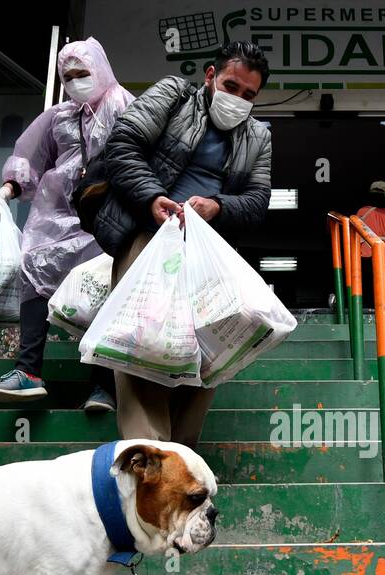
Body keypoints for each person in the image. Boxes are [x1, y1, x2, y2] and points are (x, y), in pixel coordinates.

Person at [77, 40, 272, 448]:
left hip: (207, 256)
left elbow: (257, 202)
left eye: (249, 95)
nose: (238, 100)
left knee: (206, 352)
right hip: (150, 238)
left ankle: (182, 460)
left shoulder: (258, 136)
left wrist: (217, 207)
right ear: (210, 76)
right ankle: (149, 455)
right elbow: (123, 145)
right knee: (141, 344)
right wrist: (152, 198)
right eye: (231, 86)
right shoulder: (173, 95)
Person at [0, 38, 132, 410]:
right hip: (56, 211)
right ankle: (27, 372)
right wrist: (10, 186)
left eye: (84, 73)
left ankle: (104, 385)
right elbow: (31, 154)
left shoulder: (125, 106)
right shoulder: (58, 116)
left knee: (103, 288)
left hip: (105, 212)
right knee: (33, 269)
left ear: (100, 69)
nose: (77, 81)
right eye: (70, 75)